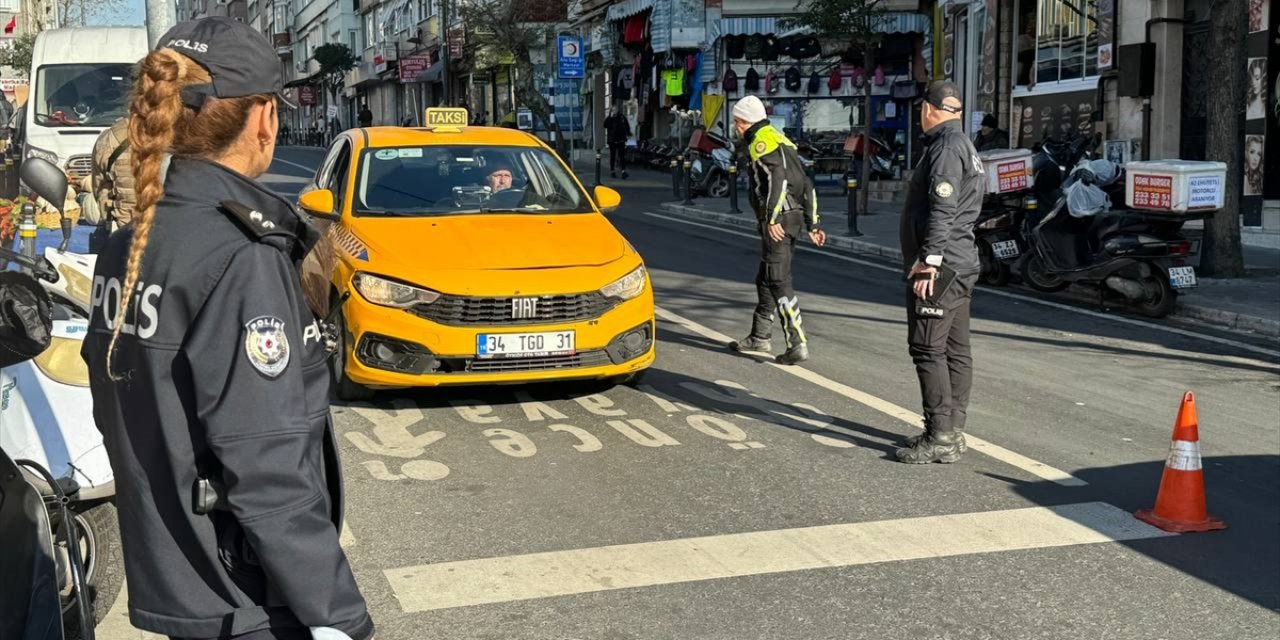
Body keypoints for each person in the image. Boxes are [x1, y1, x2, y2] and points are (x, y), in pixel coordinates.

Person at [80, 17, 374, 640]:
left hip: (179, 576)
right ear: (263, 117)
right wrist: (339, 615)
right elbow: (266, 464)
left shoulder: (130, 241)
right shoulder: (242, 254)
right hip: (250, 594)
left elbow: (116, 406)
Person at [896, 81, 985, 464]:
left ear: (929, 109)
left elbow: (943, 209)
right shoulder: (963, 144)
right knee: (955, 350)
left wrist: (929, 260)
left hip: (943, 266)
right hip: (961, 260)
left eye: (921, 108)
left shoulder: (946, 148)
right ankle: (953, 429)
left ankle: (941, 434)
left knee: (927, 348)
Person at [726, 95, 825, 365]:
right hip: (792, 218)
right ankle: (760, 336)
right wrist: (813, 222)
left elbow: (777, 180)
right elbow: (807, 185)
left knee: (778, 279)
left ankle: (797, 342)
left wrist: (771, 218)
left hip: (778, 220)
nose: (736, 127)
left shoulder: (761, 143)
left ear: (748, 122)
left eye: (738, 122)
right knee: (766, 278)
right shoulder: (782, 140)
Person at [87, 117, 135, 253]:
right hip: (172, 238)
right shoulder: (187, 134)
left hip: (124, 235)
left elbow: (100, 189)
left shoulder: (109, 138)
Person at [603, 107, 630, 179]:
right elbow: (605, 125)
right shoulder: (610, 118)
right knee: (613, 155)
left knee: (622, 156)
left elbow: (626, 126)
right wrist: (610, 117)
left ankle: (623, 171)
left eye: (616, 110)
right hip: (612, 140)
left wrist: (627, 134)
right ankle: (612, 171)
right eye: (613, 110)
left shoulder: (621, 117)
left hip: (621, 139)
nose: (614, 111)